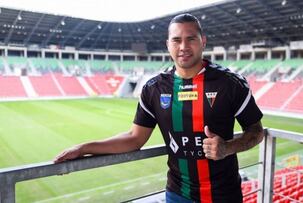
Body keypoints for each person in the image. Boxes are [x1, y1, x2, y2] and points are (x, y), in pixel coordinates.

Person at [54, 13, 264, 203]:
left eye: (191, 38)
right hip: (177, 194)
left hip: (224, 195)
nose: (183, 46)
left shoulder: (230, 83)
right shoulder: (153, 88)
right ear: (168, 45)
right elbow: (134, 138)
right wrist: (84, 148)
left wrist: (228, 147)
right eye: (176, 40)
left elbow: (256, 131)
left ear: (203, 42)